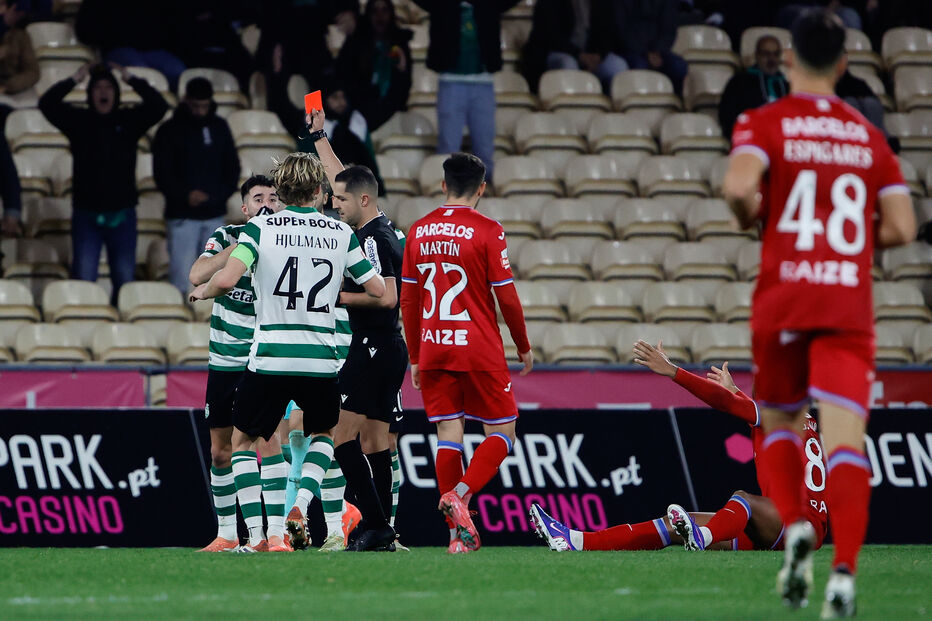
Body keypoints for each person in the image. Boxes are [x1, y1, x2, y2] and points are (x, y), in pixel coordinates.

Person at [722, 9, 916, 617]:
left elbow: (736, 189)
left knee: (778, 419)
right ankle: (845, 573)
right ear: (844, 63)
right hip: (845, 302)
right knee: (844, 441)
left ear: (788, 59)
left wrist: (756, 220)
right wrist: (851, 241)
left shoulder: (763, 120)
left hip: (785, 294)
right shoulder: (868, 135)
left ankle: (797, 531)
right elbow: (905, 227)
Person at [189, 151, 385, 554]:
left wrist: (203, 291)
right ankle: (300, 504)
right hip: (320, 357)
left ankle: (270, 535)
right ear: (318, 191)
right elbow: (378, 290)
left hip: (271, 354)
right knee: (325, 434)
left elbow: (224, 279)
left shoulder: (260, 229)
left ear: (282, 191)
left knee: (243, 442)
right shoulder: (340, 234)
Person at [532, 342, 828, 556]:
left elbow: (726, 404)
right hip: (783, 526)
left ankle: (704, 536)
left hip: (797, 526)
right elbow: (741, 406)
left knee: (743, 500)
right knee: (673, 525)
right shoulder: (798, 417)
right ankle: (574, 540)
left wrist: (674, 371)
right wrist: (736, 392)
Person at [399, 152, 533, 554]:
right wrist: (523, 346)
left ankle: (456, 538)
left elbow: (408, 299)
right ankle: (460, 493)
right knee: (503, 434)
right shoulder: (488, 230)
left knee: (448, 435)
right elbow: (506, 298)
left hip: (435, 347)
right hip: (478, 349)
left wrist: (415, 356)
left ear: (443, 185)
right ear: (482, 188)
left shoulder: (417, 230)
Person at [299, 109, 406, 552]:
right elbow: (342, 177)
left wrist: (335, 298)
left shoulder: (372, 240)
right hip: (388, 346)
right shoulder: (382, 227)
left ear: (361, 201)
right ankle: (382, 531)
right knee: (376, 439)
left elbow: (389, 296)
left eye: (340, 202)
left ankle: (377, 524)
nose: (333, 206)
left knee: (339, 437)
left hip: (372, 345)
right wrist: (320, 136)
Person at [189, 175, 282, 553]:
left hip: (261, 358)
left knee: (267, 439)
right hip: (224, 358)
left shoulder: (283, 240)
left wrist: (263, 237)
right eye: (258, 198)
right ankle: (228, 533)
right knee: (220, 450)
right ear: (245, 208)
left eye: (273, 198)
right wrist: (247, 240)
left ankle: (271, 534)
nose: (266, 204)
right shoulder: (227, 235)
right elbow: (197, 275)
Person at [39, 62, 168, 304]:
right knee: (85, 280)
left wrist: (130, 78)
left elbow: (159, 106)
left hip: (122, 215)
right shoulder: (78, 120)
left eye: (109, 86)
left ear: (116, 92)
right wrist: (75, 79)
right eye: (97, 87)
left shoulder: (129, 120)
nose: (103, 92)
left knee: (124, 281)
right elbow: (46, 104)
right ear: (90, 93)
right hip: (86, 215)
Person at [411, 1, 522, 181]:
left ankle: (484, 195)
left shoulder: (489, 5)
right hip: (451, 82)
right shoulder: (443, 5)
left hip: (483, 83)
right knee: (448, 148)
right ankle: (447, 195)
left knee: (485, 149)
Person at [153, 77, 240, 295]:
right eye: (196, 105)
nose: (200, 111)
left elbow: (232, 169)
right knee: (182, 278)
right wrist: (184, 196)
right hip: (182, 215)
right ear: (185, 100)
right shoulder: (169, 130)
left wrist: (214, 197)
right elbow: (162, 173)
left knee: (214, 278)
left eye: (204, 106)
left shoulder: (219, 127)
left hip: (213, 214)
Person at [336, 0, 413, 133]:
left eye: (384, 10)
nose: (380, 16)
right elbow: (344, 76)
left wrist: (401, 67)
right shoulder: (354, 43)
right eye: (375, 11)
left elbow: (403, 90)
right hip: (358, 109)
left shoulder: (400, 45)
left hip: (391, 110)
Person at [75, 0, 187, 89]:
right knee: (140, 72)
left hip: (156, 50)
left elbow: (174, 25)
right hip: (118, 49)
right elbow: (84, 31)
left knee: (179, 73)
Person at [522, 0, 628, 93]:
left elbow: (609, 32)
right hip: (557, 53)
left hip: (591, 55)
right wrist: (579, 55)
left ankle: (613, 113)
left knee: (618, 66)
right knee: (568, 64)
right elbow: (549, 36)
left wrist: (599, 56)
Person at [718, 35, 789, 140]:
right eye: (766, 54)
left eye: (776, 54)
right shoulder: (738, 83)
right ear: (757, 55)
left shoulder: (787, 85)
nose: (772, 59)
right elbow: (728, 117)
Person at [615, 0, 688, 95]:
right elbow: (620, 30)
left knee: (679, 66)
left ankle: (675, 104)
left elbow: (669, 29)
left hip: (658, 50)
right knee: (640, 66)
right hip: (630, 49)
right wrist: (646, 53)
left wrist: (657, 50)